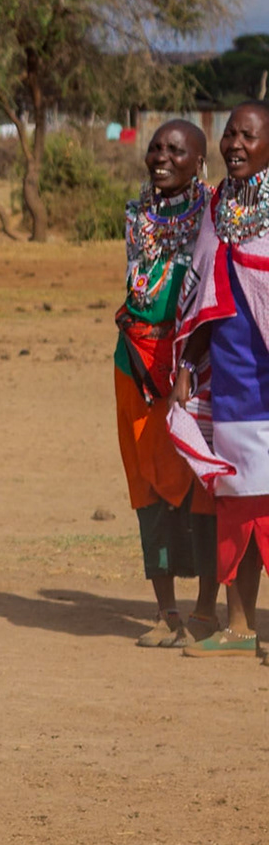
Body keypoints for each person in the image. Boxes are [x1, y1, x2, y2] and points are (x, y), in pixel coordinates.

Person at [169, 101, 269, 659]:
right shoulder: (216, 210)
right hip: (230, 383)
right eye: (230, 133)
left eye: (248, 136)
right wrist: (187, 365)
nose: (234, 144)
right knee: (237, 501)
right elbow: (206, 296)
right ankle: (239, 625)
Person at [115, 121, 218, 646]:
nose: (161, 156)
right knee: (146, 486)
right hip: (134, 362)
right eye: (156, 147)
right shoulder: (136, 214)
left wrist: (187, 361)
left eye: (177, 150)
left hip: (191, 364)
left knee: (200, 484)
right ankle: (165, 613)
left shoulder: (216, 215)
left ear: (200, 160)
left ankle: (205, 610)